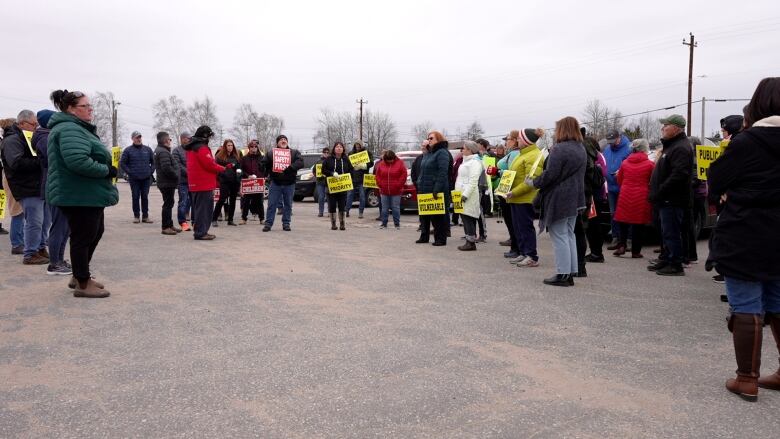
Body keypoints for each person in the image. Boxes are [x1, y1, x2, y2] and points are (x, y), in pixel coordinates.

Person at [707, 77, 780, 402]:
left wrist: (729, 192)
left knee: (747, 303)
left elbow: (717, 177)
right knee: (778, 302)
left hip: (747, 231)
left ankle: (746, 378)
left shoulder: (748, 140)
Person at [47, 89, 118, 298]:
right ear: (70, 109)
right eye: (84, 106)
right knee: (83, 236)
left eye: (90, 106)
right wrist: (107, 170)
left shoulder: (78, 128)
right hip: (77, 193)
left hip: (85, 192)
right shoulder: (69, 128)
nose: (90, 110)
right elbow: (78, 161)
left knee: (94, 232)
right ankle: (82, 283)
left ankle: (80, 275)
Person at [528, 117, 586, 287]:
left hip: (560, 198)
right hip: (575, 197)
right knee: (568, 234)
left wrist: (533, 182)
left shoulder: (559, 149)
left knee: (560, 235)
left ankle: (563, 274)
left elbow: (550, 175)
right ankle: (570, 271)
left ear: (562, 129)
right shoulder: (580, 148)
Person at [0, 109, 51, 265]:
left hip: (39, 185)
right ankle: (30, 253)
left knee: (45, 221)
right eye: (33, 124)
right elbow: (16, 163)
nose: (36, 126)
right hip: (27, 187)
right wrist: (41, 161)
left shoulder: (28, 138)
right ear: (22, 123)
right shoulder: (12, 140)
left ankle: (41, 247)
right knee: (34, 222)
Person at [647, 114, 693, 276]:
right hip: (664, 198)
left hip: (672, 198)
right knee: (665, 231)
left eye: (666, 125)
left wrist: (661, 190)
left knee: (672, 231)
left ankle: (675, 263)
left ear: (676, 128)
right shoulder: (671, 146)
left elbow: (679, 174)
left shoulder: (681, 147)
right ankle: (666, 258)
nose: (662, 128)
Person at [34, 109, 72, 275]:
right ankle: (54, 263)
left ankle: (60, 259)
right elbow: (54, 159)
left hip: (59, 185)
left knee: (65, 227)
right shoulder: (44, 138)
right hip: (55, 186)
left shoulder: (48, 135)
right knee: (58, 226)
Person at [505, 128, 544, 267]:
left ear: (526, 141)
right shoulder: (522, 154)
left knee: (526, 227)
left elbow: (531, 180)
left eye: (520, 139)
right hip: (516, 197)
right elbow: (514, 174)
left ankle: (531, 256)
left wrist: (514, 192)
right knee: (518, 228)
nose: (517, 141)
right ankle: (523, 252)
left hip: (525, 198)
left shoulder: (534, 155)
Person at [612, 139, 654, 258]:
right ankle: (635, 251)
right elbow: (653, 181)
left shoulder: (625, 163)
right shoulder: (650, 164)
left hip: (625, 193)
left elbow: (619, 180)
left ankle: (621, 245)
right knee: (638, 225)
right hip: (641, 196)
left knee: (623, 222)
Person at [184, 126, 224, 240]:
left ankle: (199, 230)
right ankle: (201, 232)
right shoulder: (202, 148)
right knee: (204, 210)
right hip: (204, 183)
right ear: (205, 136)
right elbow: (209, 165)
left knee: (198, 209)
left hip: (194, 183)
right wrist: (223, 168)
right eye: (209, 136)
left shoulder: (190, 147)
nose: (210, 139)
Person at [415, 131, 450, 246]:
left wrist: (437, 188)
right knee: (424, 215)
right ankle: (424, 236)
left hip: (436, 189)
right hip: (424, 188)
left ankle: (440, 238)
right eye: (428, 138)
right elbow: (423, 171)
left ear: (438, 140)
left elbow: (442, 172)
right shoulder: (429, 153)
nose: (428, 140)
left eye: (431, 138)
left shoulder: (442, 153)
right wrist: (419, 183)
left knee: (438, 216)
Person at [262, 135, 303, 232]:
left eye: (285, 139)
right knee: (272, 204)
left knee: (288, 204)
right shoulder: (271, 153)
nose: (283, 141)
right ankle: (268, 224)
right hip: (276, 183)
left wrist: (290, 168)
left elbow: (301, 162)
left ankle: (286, 223)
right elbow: (263, 164)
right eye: (281, 140)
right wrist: (267, 168)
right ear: (277, 143)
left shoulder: (294, 152)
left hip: (289, 183)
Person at [603, 128, 631, 248]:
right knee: (613, 213)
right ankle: (615, 238)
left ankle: (628, 240)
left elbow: (632, 164)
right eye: (609, 141)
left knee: (626, 214)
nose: (612, 143)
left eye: (613, 140)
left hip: (624, 187)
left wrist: (622, 171)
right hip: (610, 187)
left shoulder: (629, 148)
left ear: (619, 137)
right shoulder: (607, 149)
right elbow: (603, 163)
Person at [496, 132, 521, 256]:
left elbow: (511, 171)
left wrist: (498, 172)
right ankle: (514, 245)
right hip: (505, 187)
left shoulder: (515, 153)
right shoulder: (511, 152)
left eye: (508, 139)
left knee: (511, 220)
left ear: (516, 140)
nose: (506, 142)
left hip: (508, 188)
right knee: (511, 219)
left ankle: (515, 247)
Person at [119, 131, 154, 223]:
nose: (138, 139)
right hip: (134, 179)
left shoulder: (148, 149)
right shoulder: (128, 150)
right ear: (132, 139)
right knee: (135, 196)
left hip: (146, 178)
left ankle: (145, 216)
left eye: (139, 137)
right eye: (136, 137)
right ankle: (136, 216)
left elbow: (154, 162)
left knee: (145, 197)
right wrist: (130, 172)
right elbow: (122, 163)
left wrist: (150, 171)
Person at [454, 141, 483, 251]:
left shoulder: (475, 162)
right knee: (464, 217)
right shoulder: (466, 161)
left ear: (470, 150)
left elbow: (473, 181)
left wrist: (465, 195)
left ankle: (471, 242)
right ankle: (468, 240)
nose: (462, 150)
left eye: (464, 148)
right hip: (460, 193)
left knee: (468, 217)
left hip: (468, 195)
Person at [583, 133, 607, 263]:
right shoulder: (598, 156)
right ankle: (595, 251)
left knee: (593, 225)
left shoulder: (596, 157)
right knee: (592, 225)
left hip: (594, 195)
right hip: (595, 194)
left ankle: (597, 253)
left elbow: (598, 176)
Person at [153, 131, 180, 235]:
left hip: (166, 182)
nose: (170, 141)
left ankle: (170, 224)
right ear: (165, 140)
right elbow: (167, 168)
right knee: (168, 204)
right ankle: (165, 227)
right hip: (167, 183)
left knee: (169, 203)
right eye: (169, 139)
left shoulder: (161, 150)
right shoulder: (163, 152)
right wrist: (176, 176)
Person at [322, 142, 353, 230]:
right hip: (331, 186)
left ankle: (342, 223)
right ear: (334, 149)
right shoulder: (328, 159)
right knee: (332, 205)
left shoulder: (346, 159)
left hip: (343, 186)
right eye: (337, 147)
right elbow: (323, 170)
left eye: (340, 147)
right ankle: (333, 224)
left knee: (342, 205)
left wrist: (349, 178)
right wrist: (331, 173)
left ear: (343, 149)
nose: (339, 148)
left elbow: (351, 170)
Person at [374, 149, 407, 230]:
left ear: (394, 158)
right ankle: (384, 223)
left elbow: (403, 175)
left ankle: (397, 224)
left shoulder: (400, 163)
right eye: (388, 160)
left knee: (395, 208)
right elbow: (377, 176)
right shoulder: (381, 164)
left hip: (396, 191)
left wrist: (398, 185)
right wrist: (380, 184)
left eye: (391, 160)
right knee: (384, 208)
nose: (389, 162)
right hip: (384, 190)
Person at [212, 139, 242, 227]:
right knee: (222, 199)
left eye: (231, 145)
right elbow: (216, 168)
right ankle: (214, 218)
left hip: (234, 181)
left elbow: (239, 168)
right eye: (228, 145)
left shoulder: (236, 156)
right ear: (225, 146)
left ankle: (230, 220)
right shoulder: (219, 157)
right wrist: (222, 175)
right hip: (224, 181)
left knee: (233, 201)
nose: (230, 147)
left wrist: (239, 175)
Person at [238, 139, 266, 225]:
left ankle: (262, 219)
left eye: (255, 147)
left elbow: (265, 169)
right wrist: (247, 176)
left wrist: (264, 178)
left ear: (257, 148)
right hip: (248, 183)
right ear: (249, 148)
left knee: (259, 202)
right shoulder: (244, 158)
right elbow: (240, 170)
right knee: (246, 201)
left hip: (258, 182)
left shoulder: (262, 158)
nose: (254, 148)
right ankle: (244, 219)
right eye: (252, 147)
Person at [346, 140, 373, 218]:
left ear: (361, 145)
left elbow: (371, 163)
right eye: (356, 145)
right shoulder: (351, 153)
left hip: (363, 178)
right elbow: (347, 165)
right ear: (354, 145)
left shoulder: (367, 153)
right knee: (349, 195)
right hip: (352, 178)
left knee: (362, 196)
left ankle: (361, 212)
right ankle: (347, 210)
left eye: (359, 145)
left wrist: (364, 165)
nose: (357, 146)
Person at [172, 131, 192, 231]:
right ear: (183, 139)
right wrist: (189, 172)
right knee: (183, 201)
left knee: (194, 201)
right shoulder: (176, 151)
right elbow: (178, 165)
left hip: (194, 181)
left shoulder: (193, 150)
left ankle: (195, 221)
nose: (189, 140)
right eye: (188, 138)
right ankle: (182, 222)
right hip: (183, 181)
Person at [314, 147, 330, 217]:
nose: (326, 154)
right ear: (322, 153)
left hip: (329, 182)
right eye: (325, 152)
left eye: (327, 152)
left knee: (329, 197)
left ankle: (330, 211)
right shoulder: (318, 161)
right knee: (321, 197)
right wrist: (317, 175)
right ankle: (321, 212)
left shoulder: (331, 161)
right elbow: (314, 171)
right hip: (320, 182)